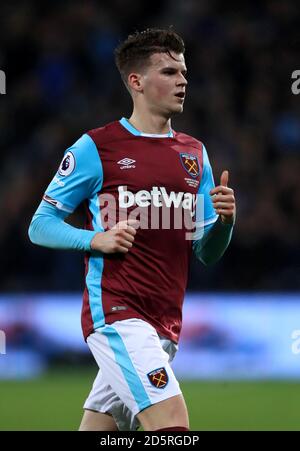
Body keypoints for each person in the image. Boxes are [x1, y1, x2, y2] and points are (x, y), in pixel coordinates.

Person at [28, 27, 236, 431]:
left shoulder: (194, 153)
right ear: (136, 82)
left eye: (184, 72)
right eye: (170, 72)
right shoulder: (96, 147)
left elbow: (207, 252)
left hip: (165, 321)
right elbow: (40, 225)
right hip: (118, 316)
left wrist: (226, 224)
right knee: (172, 424)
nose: (183, 81)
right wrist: (94, 239)